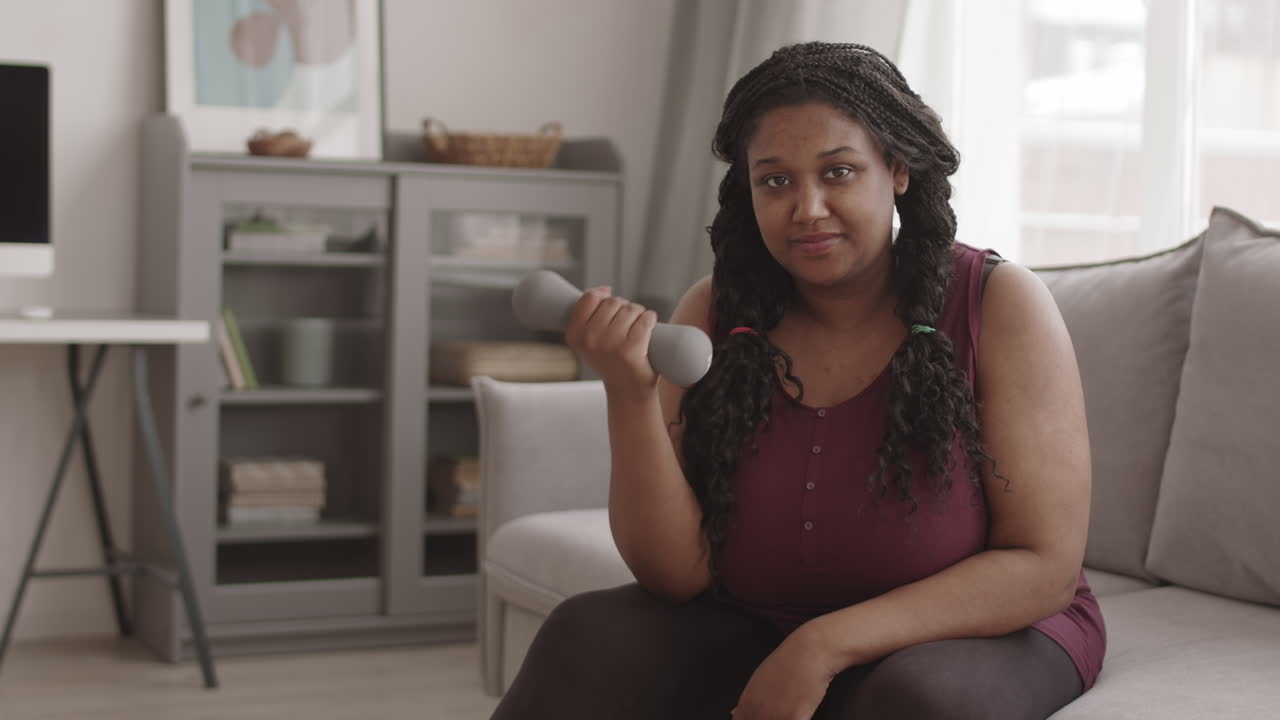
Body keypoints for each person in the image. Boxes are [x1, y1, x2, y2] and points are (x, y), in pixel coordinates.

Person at [490, 41, 1104, 720]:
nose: (806, 208)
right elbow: (675, 575)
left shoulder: (999, 304)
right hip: (763, 616)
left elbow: (1044, 563)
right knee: (587, 636)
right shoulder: (716, 311)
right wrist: (628, 391)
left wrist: (822, 646)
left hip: (978, 632)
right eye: (775, 181)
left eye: (838, 172)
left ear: (897, 169)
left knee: (910, 701)